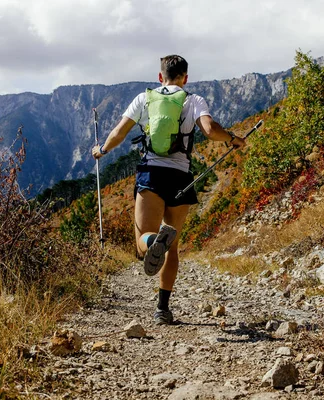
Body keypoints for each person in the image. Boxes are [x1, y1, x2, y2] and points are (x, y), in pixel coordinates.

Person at [92, 55, 246, 325]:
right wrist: (233, 139)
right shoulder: (193, 100)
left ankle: (153, 242)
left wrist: (101, 150)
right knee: (172, 248)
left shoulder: (144, 98)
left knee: (143, 243)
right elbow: (210, 130)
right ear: (185, 77)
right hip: (180, 177)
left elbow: (119, 133)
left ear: (160, 76)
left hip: (152, 174)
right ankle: (162, 308)